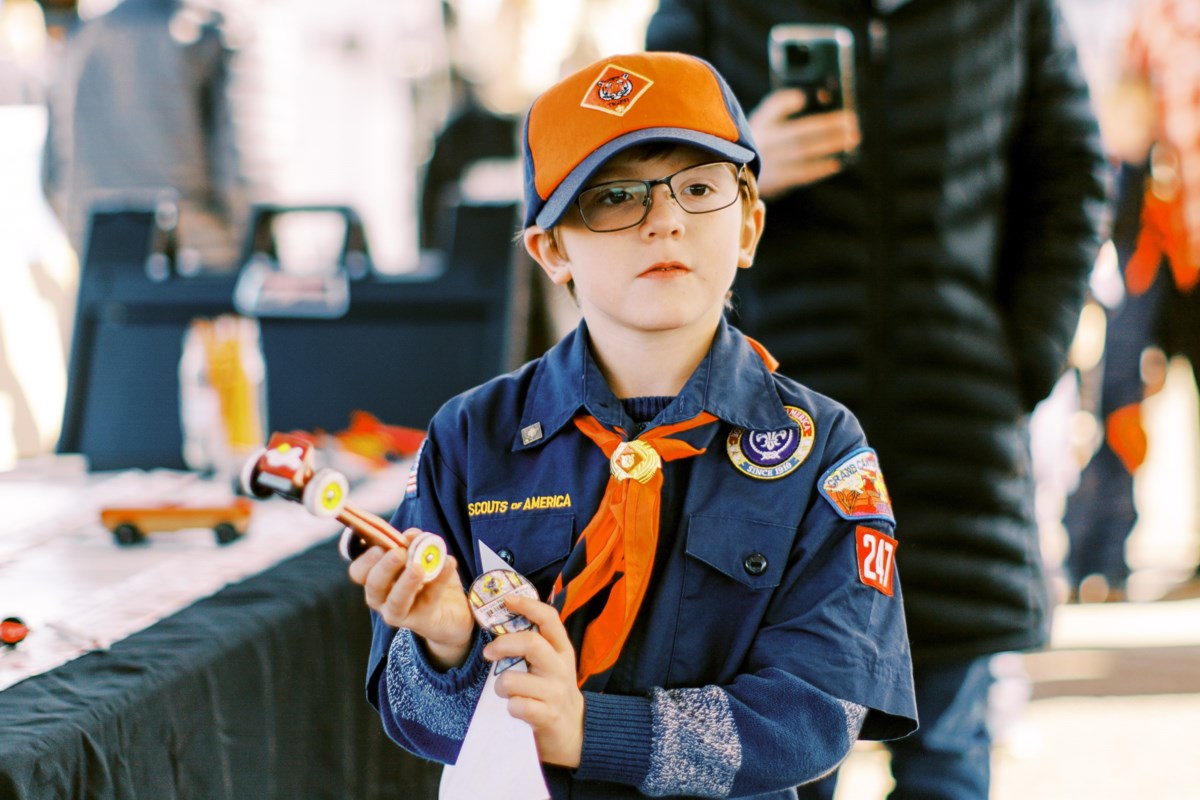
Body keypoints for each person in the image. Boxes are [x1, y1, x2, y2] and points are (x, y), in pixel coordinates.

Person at [348, 51, 917, 798]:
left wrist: (590, 729)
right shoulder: (469, 439)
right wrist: (448, 644)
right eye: (615, 198)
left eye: (700, 187)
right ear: (552, 250)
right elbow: (418, 720)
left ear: (748, 227)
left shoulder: (822, 449)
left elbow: (815, 713)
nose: (666, 220)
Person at [646, 3, 1107, 798]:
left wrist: (1023, 355)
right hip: (764, 438)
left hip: (954, 433)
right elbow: (638, 189)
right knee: (776, 761)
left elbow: (1070, 173)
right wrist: (739, 170)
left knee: (949, 754)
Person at [1064, 0, 1200, 603]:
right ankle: (1101, 548)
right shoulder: (1156, 21)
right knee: (1115, 389)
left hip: (1174, 228)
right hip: (1152, 229)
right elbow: (1126, 113)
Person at [43, 0, 244, 271]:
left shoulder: (81, 40)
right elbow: (239, 170)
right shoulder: (204, 32)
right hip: (199, 263)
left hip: (105, 268)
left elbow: (52, 178)